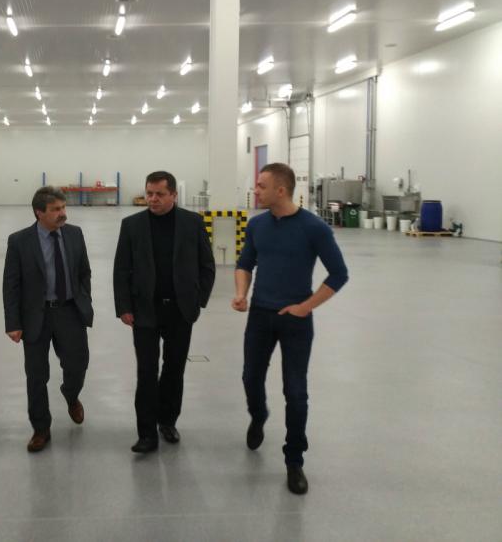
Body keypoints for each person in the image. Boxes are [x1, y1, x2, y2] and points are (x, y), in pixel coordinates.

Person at [232, 163, 349, 496]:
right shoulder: (257, 225)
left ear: (280, 190)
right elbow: (244, 263)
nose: (255, 190)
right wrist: (241, 293)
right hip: (260, 315)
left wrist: (305, 307)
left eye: (261, 185)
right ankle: (258, 415)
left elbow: (339, 274)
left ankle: (294, 460)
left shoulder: (314, 228)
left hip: (296, 321)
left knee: (295, 392)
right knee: (250, 377)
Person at [113, 171, 216, 453]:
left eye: (159, 194)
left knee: (174, 369)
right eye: (149, 193)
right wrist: (124, 307)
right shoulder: (132, 225)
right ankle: (146, 433)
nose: (153, 199)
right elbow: (121, 269)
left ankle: (168, 421)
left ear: (173, 195)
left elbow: (207, 265)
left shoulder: (192, 223)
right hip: (144, 311)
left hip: (180, 310)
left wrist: (198, 301)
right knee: (146, 372)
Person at [3, 186, 93, 452]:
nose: (62, 213)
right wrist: (13, 323)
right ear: (38, 212)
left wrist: (84, 300)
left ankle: (71, 394)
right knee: (36, 375)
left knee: (77, 364)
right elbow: (11, 284)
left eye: (63, 208)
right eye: (55, 209)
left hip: (69, 311)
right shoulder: (19, 241)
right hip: (36, 315)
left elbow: (84, 272)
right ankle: (41, 429)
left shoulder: (75, 234)